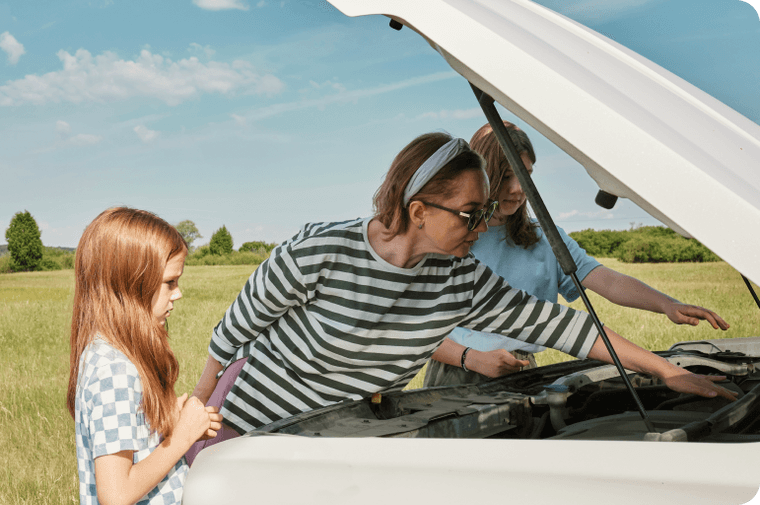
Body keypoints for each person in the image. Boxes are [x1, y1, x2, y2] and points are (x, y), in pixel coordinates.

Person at [189, 132, 734, 457]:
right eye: (471, 214)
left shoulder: (460, 278)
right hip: (248, 430)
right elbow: (233, 331)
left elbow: (562, 326)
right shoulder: (322, 249)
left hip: (338, 443)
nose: (482, 226)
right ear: (420, 208)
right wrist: (196, 416)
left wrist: (665, 372)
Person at [424, 122, 729, 387]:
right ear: (483, 174)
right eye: (506, 176)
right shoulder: (452, 235)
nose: (518, 188)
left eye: (525, 174)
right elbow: (417, 326)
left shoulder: (542, 236)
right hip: (457, 373)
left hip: (523, 371)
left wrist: (667, 303)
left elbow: (606, 280)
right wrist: (471, 359)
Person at [67, 207, 223, 505]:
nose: (178, 294)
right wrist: (182, 438)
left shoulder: (118, 356)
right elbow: (116, 495)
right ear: (130, 284)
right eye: (169, 282)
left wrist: (169, 425)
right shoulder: (113, 369)